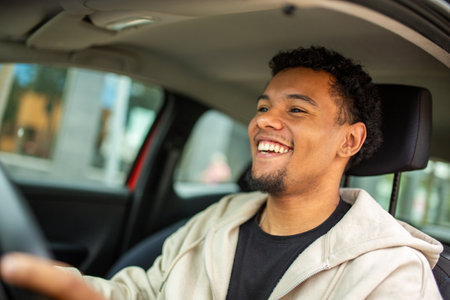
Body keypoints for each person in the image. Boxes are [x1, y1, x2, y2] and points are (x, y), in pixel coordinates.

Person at [0, 46, 443, 299]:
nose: (265, 120)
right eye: (264, 106)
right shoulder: (217, 221)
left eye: (296, 110)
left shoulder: (390, 271)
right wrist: (68, 287)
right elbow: (141, 294)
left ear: (349, 141)